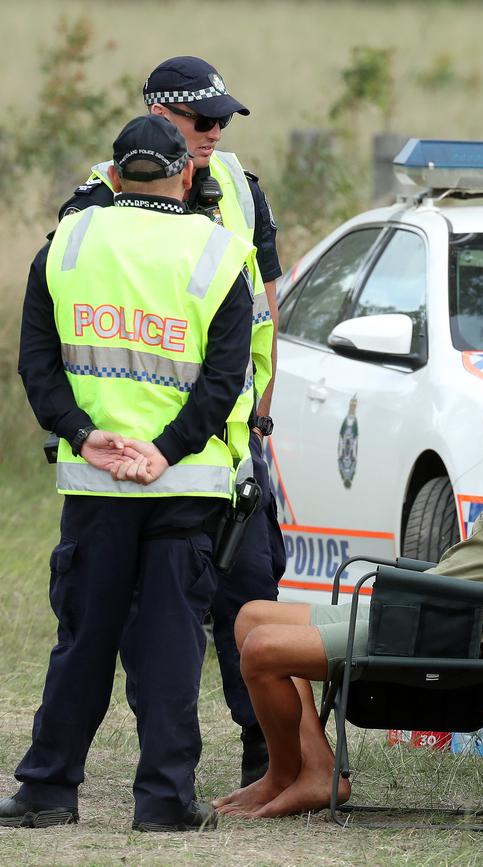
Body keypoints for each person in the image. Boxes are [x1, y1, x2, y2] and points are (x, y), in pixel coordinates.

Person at [212, 356, 483, 819]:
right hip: (422, 610)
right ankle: (312, 769)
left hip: (436, 628)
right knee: (253, 616)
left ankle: (292, 776)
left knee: (262, 649)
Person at [1, 115, 255, 831]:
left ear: (113, 177)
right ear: (187, 174)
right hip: (183, 484)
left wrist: (83, 435)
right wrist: (167, 450)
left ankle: (48, 789)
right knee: (172, 641)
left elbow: (36, 365)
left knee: (83, 637)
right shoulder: (220, 252)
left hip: (96, 482)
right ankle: (165, 802)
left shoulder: (67, 245)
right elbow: (225, 381)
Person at [58, 55, 286, 785]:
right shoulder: (98, 193)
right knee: (117, 618)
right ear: (159, 111)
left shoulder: (242, 193)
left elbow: (265, 304)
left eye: (223, 118)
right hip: (123, 449)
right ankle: (107, 770)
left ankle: (267, 752)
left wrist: (260, 414)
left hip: (228, 444)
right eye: (200, 119)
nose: (214, 131)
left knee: (248, 596)